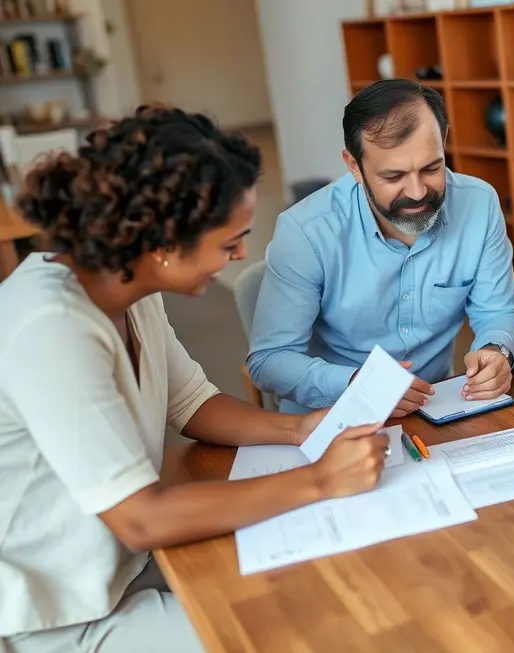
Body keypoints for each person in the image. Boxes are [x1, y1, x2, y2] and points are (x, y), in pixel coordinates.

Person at [0, 106, 391, 653]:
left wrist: (300, 428)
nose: (240, 255)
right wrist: (321, 479)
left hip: (124, 568)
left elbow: (192, 404)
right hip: (55, 615)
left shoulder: (130, 287)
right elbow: (141, 518)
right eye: (229, 240)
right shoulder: (53, 328)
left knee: (326, 576)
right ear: (163, 242)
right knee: (304, 626)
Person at [247, 80, 514, 416]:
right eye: (394, 177)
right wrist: (356, 384)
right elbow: (269, 361)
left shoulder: (479, 204)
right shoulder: (306, 232)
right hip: (332, 418)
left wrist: (496, 351)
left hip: (437, 409)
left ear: (444, 142)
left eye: (432, 168)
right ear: (354, 166)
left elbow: (498, 310)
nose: (419, 192)